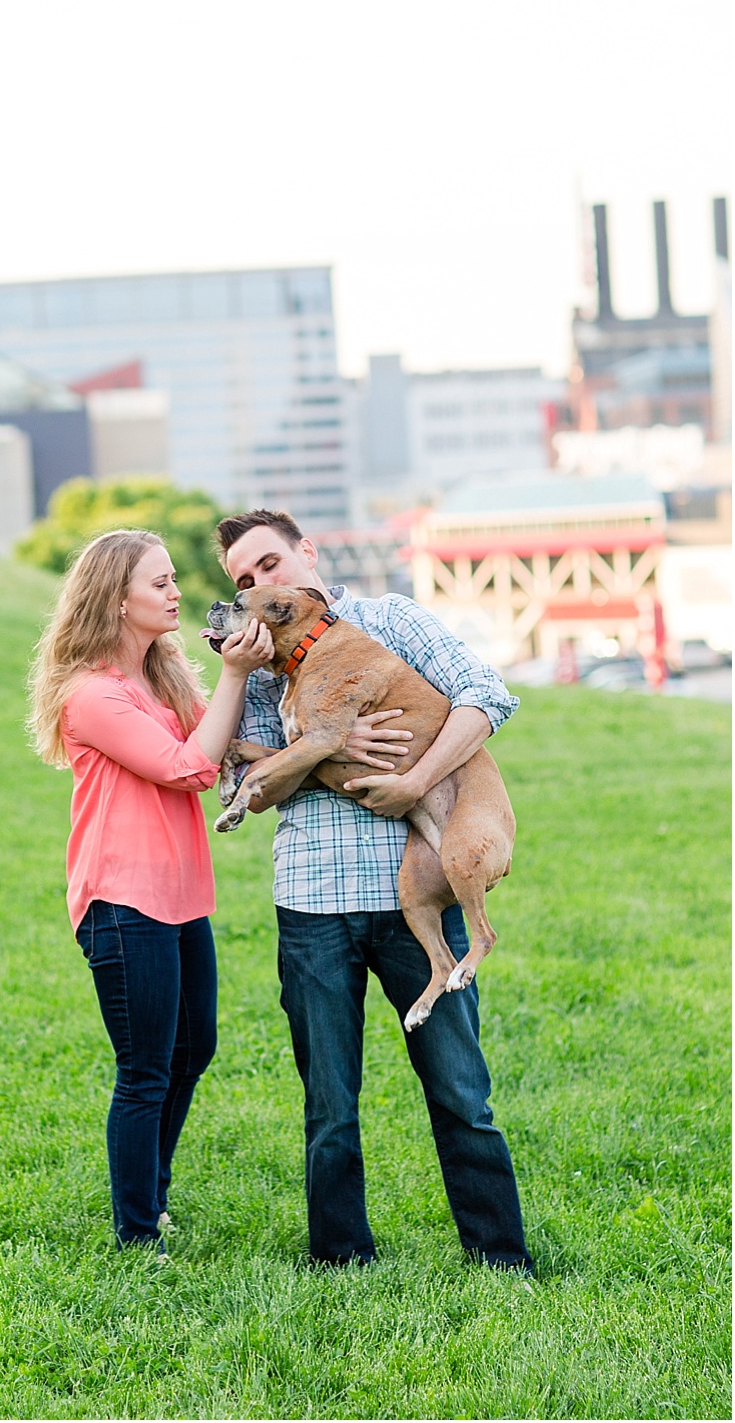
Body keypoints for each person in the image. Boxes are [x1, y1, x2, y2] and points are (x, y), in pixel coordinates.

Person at [213, 508, 533, 1273]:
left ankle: (500, 1257)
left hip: (413, 883)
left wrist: (418, 778)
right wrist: (326, 739)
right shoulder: (257, 666)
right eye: (244, 580)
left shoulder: (389, 619)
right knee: (329, 1104)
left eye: (268, 565)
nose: (260, 585)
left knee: (461, 1092)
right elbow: (252, 791)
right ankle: (340, 1259)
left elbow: (488, 694)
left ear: (307, 554)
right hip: (312, 899)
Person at [28, 529, 273, 1250]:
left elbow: (220, 745)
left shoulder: (161, 676)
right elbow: (188, 769)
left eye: (172, 580)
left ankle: (152, 1195)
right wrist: (231, 677)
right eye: (159, 583)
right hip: (122, 898)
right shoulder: (92, 696)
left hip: (179, 894)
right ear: (116, 597)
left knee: (193, 1050)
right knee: (143, 1070)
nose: (175, 592)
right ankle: (137, 1232)